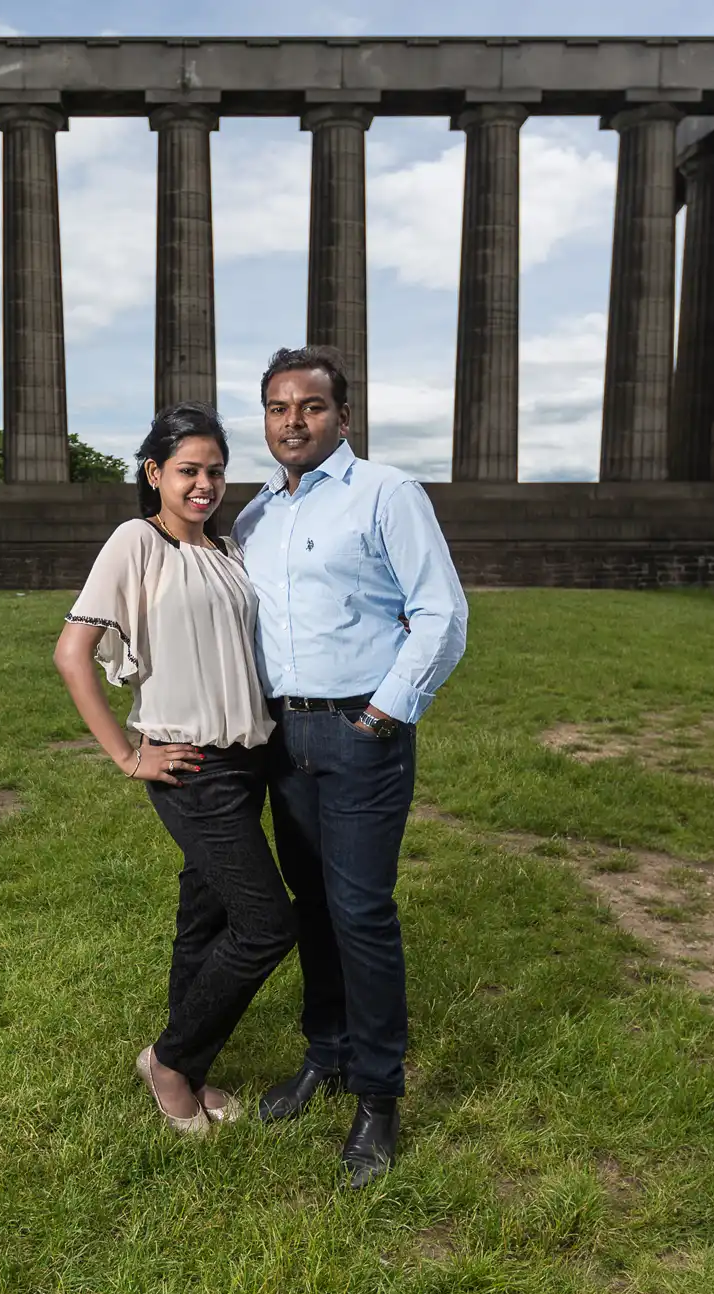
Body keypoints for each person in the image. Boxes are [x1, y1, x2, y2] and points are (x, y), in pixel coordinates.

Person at [234, 346, 469, 1187]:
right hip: (281, 740)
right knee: (312, 908)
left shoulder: (387, 494)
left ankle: (378, 1096)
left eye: (310, 406)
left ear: (343, 416)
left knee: (361, 909)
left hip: (359, 734)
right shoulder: (254, 515)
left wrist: (384, 709)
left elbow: (441, 610)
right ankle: (324, 1054)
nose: (292, 421)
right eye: (276, 407)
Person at [53, 403, 296, 1136]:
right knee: (267, 923)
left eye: (216, 470)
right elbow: (72, 654)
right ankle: (170, 1058)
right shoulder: (138, 541)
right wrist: (129, 755)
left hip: (248, 759)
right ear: (155, 472)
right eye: (188, 470)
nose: (205, 484)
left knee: (206, 917)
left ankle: (188, 1063)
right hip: (190, 765)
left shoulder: (224, 551)